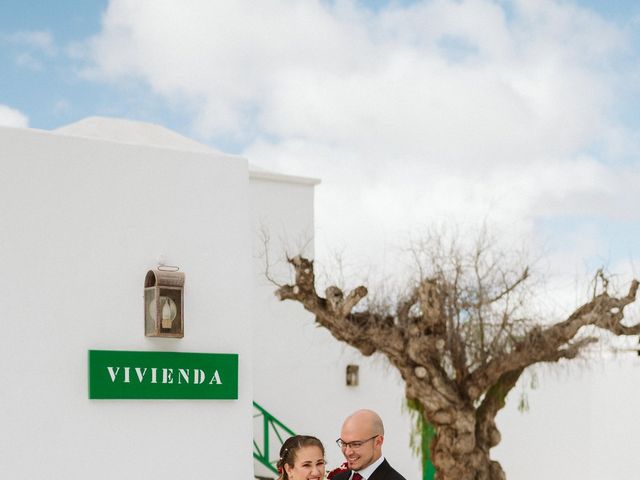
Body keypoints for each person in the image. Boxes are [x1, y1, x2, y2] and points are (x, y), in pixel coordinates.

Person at [332, 409, 406, 480]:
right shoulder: (337, 478)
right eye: (343, 443)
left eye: (356, 444)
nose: (347, 452)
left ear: (378, 442)